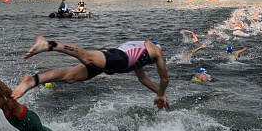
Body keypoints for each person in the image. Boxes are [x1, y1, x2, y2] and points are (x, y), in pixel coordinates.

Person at [11, 37, 170, 110]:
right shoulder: (156, 52)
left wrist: (159, 93)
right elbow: (165, 78)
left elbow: (142, 78)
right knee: (86, 57)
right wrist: (161, 93)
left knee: (70, 77)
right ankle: (49, 44)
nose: (152, 64)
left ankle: (33, 80)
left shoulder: (141, 53)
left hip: (116, 61)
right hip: (118, 59)